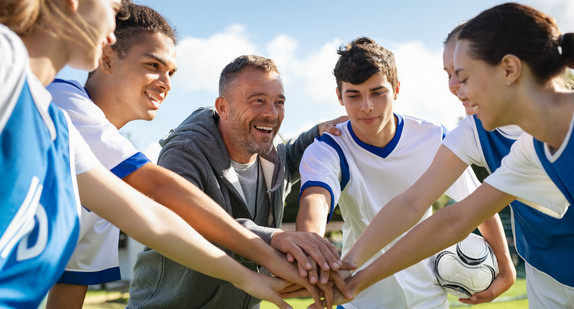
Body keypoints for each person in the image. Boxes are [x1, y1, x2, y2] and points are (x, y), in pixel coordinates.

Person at [0, 1, 303, 308]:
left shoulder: (72, 141)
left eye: (170, 71)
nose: (167, 84)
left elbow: (148, 224)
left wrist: (247, 276)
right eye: (153, 66)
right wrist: (267, 251)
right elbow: (159, 190)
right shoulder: (55, 96)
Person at [327, 3, 574, 308]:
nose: (456, 88)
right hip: (549, 274)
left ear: (509, 69)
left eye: (464, 76)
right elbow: (453, 218)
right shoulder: (529, 152)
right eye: (450, 75)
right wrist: (351, 277)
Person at [295, 37, 511, 309]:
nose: (367, 107)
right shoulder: (327, 148)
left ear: (396, 90)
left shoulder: (434, 137)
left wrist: (505, 267)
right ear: (339, 96)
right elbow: (315, 200)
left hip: (429, 298)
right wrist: (310, 254)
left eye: (377, 93)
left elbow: (477, 203)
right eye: (354, 96)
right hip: (361, 300)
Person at [127, 54, 350, 308]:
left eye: (279, 102)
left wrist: (320, 132)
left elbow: (294, 154)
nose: (272, 113)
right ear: (222, 107)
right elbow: (193, 223)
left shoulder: (274, 154)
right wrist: (274, 237)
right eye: (258, 101)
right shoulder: (184, 152)